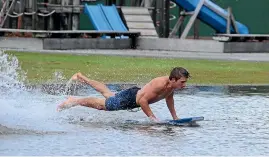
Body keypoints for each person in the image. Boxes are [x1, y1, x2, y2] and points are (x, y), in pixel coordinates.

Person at [57, 67, 190, 122]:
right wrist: (153, 119)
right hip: (130, 99)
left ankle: (81, 77)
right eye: (182, 82)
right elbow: (143, 101)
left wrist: (175, 118)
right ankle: (73, 101)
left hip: (132, 95)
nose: (184, 85)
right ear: (173, 79)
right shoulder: (160, 84)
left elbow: (169, 99)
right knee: (103, 105)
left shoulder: (171, 86)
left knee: (108, 94)